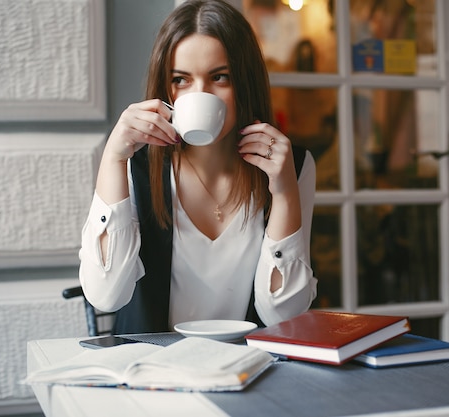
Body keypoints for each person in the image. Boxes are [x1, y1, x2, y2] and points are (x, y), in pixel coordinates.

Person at [79, 0, 317, 334]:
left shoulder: (291, 166)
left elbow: (284, 314)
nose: (200, 93)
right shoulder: (136, 164)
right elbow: (105, 296)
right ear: (166, 89)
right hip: (153, 374)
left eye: (220, 77)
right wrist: (113, 158)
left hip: (247, 372)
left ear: (245, 83)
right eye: (181, 80)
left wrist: (285, 193)